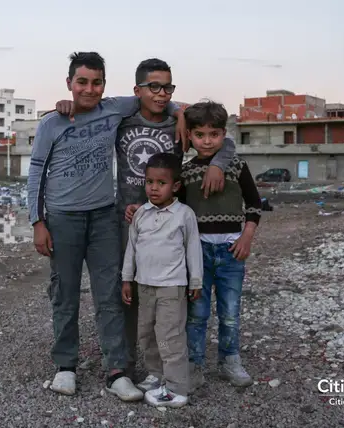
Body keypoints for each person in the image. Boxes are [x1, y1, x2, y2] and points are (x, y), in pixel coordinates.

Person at [57, 58, 236, 378]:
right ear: (138, 89)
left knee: (168, 292)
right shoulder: (121, 119)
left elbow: (225, 139)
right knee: (125, 290)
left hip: (168, 223)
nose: (161, 93)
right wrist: (65, 105)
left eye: (167, 87)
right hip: (126, 219)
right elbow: (86, 114)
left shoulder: (178, 121)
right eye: (154, 86)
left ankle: (168, 363)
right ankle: (124, 363)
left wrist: (217, 163)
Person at [27, 52, 185, 401]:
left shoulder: (113, 109)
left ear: (104, 84)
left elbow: (158, 97)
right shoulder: (51, 124)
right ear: (69, 83)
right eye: (82, 82)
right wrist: (37, 221)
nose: (89, 89)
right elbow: (36, 172)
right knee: (65, 294)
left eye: (96, 82)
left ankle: (118, 371)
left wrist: (181, 113)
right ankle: (65, 367)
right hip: (63, 218)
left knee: (110, 295)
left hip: (102, 217)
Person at [178, 101, 262, 389]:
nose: (207, 141)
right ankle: (195, 365)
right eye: (199, 135)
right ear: (190, 136)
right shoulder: (186, 173)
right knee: (197, 314)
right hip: (197, 253)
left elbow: (254, 205)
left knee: (229, 312)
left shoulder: (237, 167)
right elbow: (177, 212)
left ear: (223, 134)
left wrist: (247, 236)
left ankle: (230, 361)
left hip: (231, 251)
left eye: (213, 134)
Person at [120, 152, 203, 408]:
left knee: (170, 337)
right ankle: (156, 376)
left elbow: (193, 249)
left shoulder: (184, 215)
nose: (154, 188)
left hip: (171, 288)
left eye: (161, 183)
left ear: (175, 186)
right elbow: (131, 249)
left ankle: (177, 388)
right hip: (144, 286)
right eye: (149, 182)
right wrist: (126, 279)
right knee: (147, 334)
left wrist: (195, 281)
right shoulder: (140, 215)